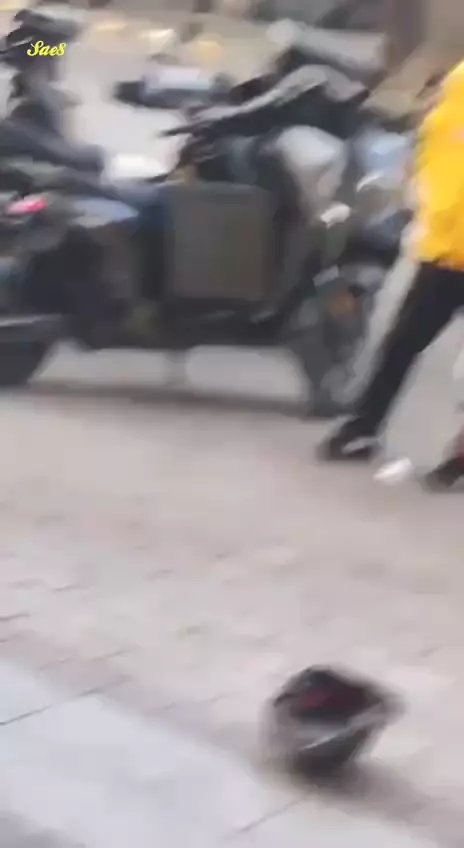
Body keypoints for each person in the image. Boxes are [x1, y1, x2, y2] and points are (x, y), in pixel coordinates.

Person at [317, 60, 464, 490]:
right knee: (402, 343)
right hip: (444, 248)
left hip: (444, 247)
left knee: (403, 343)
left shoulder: (455, 86)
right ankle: (364, 427)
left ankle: (366, 429)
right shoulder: (456, 86)